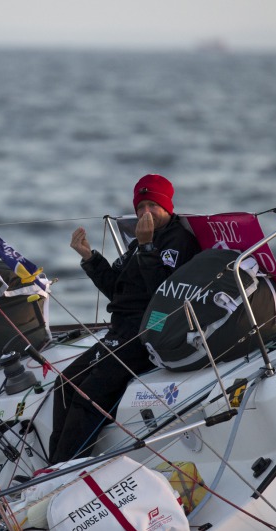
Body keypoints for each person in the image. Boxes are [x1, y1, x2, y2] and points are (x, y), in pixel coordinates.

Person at [48, 173, 200, 464]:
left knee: (90, 393)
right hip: (121, 330)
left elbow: (163, 293)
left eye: (152, 206)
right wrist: (90, 258)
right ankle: (53, 465)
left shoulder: (177, 241)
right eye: (140, 206)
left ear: (167, 207)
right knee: (65, 383)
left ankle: (63, 469)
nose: (145, 213)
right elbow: (117, 291)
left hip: (148, 331)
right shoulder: (139, 242)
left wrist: (146, 247)